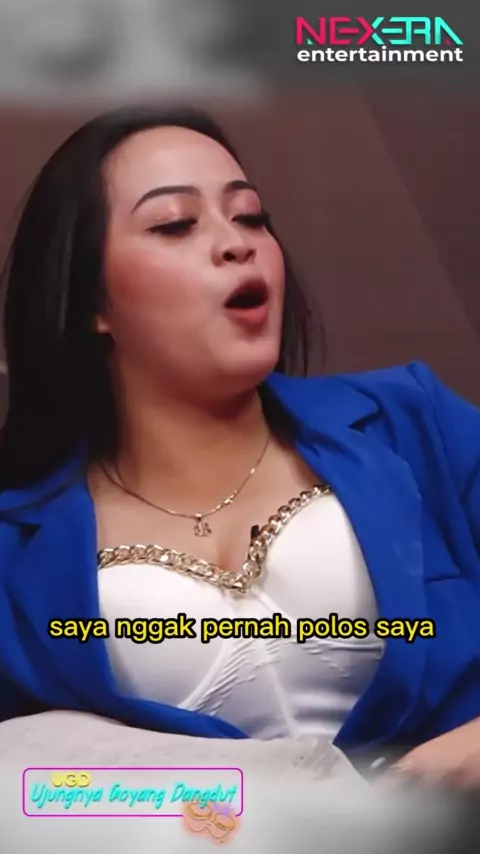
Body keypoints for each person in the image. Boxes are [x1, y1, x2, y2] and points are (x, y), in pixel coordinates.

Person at [1, 104, 480, 789]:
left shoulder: (413, 422)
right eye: (175, 224)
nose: (236, 243)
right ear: (90, 303)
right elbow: (35, 799)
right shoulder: (16, 553)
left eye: (250, 216)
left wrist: (451, 764)